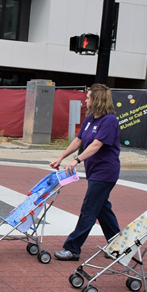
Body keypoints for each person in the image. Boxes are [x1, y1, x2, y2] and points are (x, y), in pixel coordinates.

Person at [51, 83, 122, 261]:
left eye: (89, 97)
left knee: (89, 209)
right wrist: (61, 157)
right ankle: (120, 246)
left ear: (97, 99)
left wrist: (77, 160)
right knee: (102, 209)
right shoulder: (90, 118)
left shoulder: (109, 120)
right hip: (94, 171)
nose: (86, 99)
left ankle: (73, 248)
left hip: (105, 172)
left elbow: (97, 145)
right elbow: (78, 140)